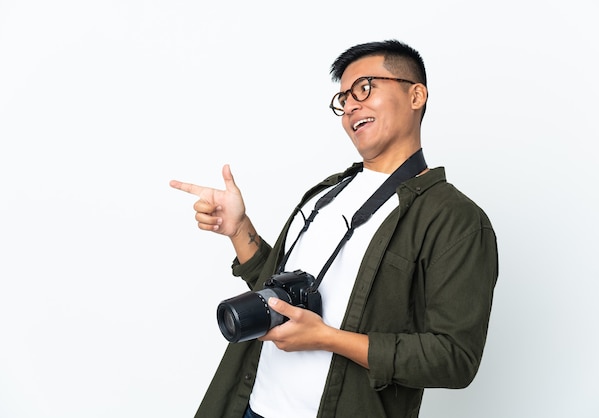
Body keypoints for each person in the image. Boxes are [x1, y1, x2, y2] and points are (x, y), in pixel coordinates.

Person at [170, 39, 498, 418]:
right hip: (249, 406)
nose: (351, 106)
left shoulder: (455, 218)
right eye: (343, 99)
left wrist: (328, 339)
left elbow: (454, 359)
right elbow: (275, 291)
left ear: (416, 95)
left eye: (364, 88)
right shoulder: (324, 194)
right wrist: (238, 227)